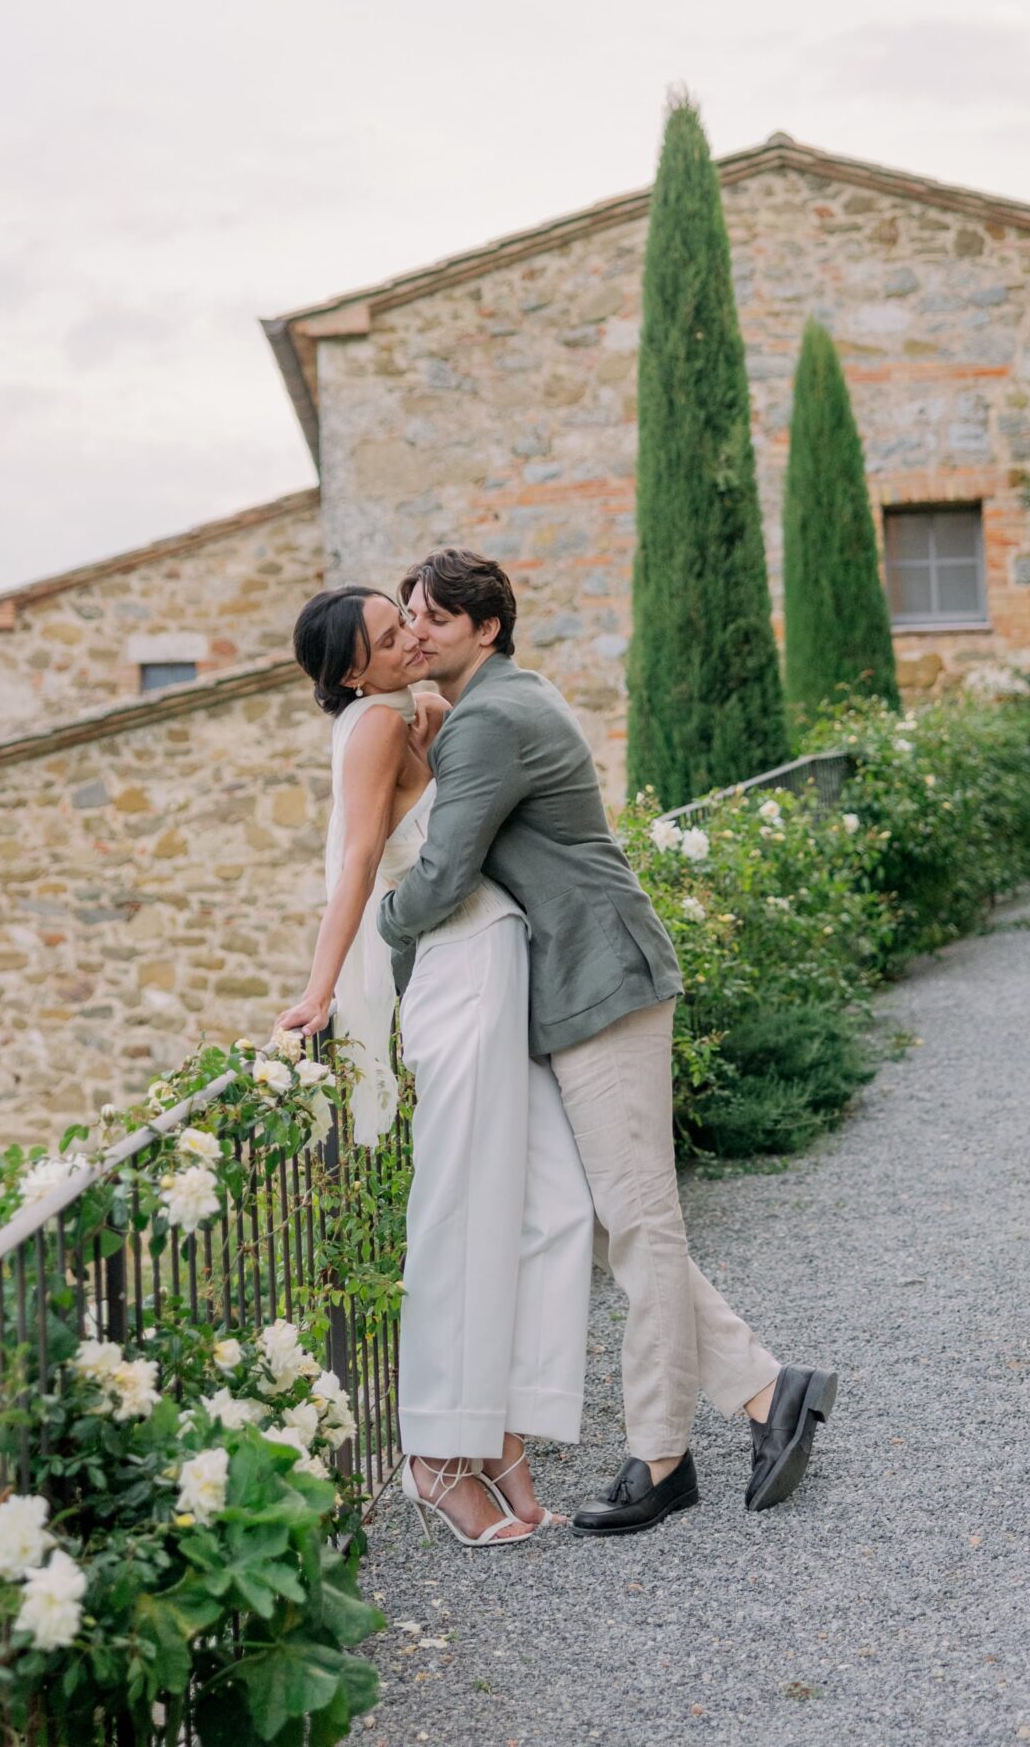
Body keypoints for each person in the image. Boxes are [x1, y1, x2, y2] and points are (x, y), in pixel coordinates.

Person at [378, 547, 836, 1532]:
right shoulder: (491, 704)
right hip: (579, 988)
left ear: (486, 628)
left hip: (602, 983)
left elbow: (444, 872)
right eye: (407, 615)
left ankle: (660, 1454)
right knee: (602, 1218)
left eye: (435, 618)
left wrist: (384, 922)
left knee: (638, 1223)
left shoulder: (491, 719)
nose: (416, 630)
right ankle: (768, 1392)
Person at [277, 583, 595, 1547]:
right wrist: (318, 988)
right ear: (350, 672)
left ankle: (503, 1430)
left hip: (492, 954)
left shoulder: (407, 711)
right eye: (388, 636)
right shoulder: (375, 725)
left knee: (554, 1204)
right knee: (456, 1209)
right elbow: (362, 860)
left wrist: (433, 714)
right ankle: (434, 1456)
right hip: (458, 969)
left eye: (407, 620)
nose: (409, 638)